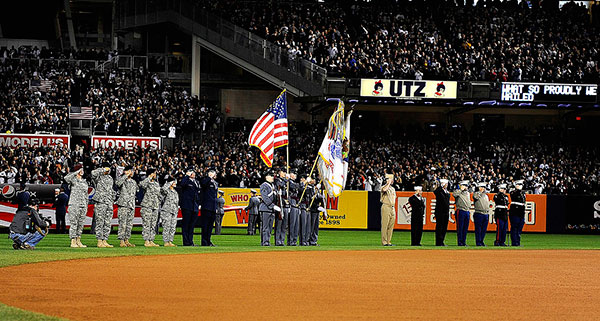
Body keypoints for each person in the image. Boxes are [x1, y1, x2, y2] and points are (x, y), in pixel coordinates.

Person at [64, 165, 89, 248]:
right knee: (74, 223)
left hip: (83, 204)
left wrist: (86, 204)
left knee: (80, 224)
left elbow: (86, 194)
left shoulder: (84, 181)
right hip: (74, 203)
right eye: (80, 169)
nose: (82, 171)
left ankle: (78, 240)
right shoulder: (73, 180)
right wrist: (75, 172)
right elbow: (66, 178)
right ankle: (73, 241)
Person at [91, 164, 115, 248]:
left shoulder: (110, 178)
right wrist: (102, 169)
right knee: (100, 222)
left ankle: (105, 240)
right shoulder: (98, 177)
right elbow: (93, 173)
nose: (108, 170)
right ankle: (99, 240)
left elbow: (111, 189)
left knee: (107, 222)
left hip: (109, 202)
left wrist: (113, 197)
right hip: (101, 202)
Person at [116, 165, 138, 247]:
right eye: (129, 170)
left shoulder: (133, 182)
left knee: (129, 224)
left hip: (131, 205)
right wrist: (125, 175)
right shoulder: (122, 180)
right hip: (123, 204)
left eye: (132, 171)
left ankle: (127, 240)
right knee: (122, 223)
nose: (131, 172)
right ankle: (121, 240)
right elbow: (118, 184)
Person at [178, 168, 200, 246]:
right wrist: (186, 175)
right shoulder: (186, 180)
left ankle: (190, 241)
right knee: (186, 224)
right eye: (192, 172)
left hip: (194, 206)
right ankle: (186, 242)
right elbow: (182, 184)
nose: (193, 174)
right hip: (187, 205)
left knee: (192, 225)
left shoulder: (196, 182)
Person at [140, 169, 161, 247]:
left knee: (153, 224)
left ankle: (151, 240)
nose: (155, 175)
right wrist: (149, 177)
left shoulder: (156, 184)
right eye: (154, 173)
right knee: (147, 224)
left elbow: (159, 194)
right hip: (147, 205)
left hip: (155, 206)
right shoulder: (146, 181)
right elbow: (142, 185)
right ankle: (146, 240)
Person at [199, 169, 219, 246]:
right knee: (205, 225)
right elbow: (203, 184)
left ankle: (208, 240)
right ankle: (204, 242)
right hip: (206, 206)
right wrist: (209, 177)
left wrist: (216, 207)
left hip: (213, 207)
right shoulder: (205, 181)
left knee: (210, 226)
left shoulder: (215, 183)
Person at [259, 170, 278, 246]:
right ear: (267, 177)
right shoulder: (264, 185)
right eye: (271, 176)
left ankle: (267, 241)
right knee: (265, 227)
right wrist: (272, 205)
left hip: (271, 209)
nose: (273, 177)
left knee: (270, 227)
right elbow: (265, 197)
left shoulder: (272, 185)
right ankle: (264, 242)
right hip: (265, 208)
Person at [160, 178, 179, 247]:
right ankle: (166, 242)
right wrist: (168, 183)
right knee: (166, 227)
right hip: (166, 211)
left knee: (172, 227)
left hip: (174, 211)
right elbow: (162, 190)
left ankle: (170, 241)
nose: (175, 183)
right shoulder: (167, 191)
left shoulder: (175, 192)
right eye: (173, 182)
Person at [453, 180, 471, 246]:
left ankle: (463, 241)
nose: (466, 187)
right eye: (464, 185)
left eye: (466, 185)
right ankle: (460, 242)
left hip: (467, 211)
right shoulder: (458, 192)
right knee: (460, 227)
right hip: (460, 210)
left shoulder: (468, 193)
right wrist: (460, 189)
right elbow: (454, 194)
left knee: (465, 228)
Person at [380, 173, 396, 246]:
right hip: (386, 206)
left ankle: (389, 241)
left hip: (392, 207)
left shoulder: (393, 189)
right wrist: (388, 183)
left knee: (391, 225)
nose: (392, 180)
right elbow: (384, 189)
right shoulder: (383, 187)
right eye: (390, 179)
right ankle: (384, 242)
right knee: (385, 225)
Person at [433, 179, 450, 246]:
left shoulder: (446, 192)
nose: (447, 185)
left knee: (444, 227)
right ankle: (438, 242)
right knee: (439, 227)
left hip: (446, 212)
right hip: (440, 212)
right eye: (445, 184)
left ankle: (442, 241)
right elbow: (435, 192)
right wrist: (440, 186)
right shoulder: (439, 191)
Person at [274, 168, 288, 246]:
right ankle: (277, 241)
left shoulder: (284, 181)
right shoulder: (277, 180)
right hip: (279, 203)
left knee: (284, 224)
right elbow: (280, 185)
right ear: (279, 172)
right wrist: (286, 180)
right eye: (283, 172)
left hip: (285, 204)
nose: (285, 173)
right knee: (279, 224)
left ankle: (282, 240)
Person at [509, 180, 527, 246]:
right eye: (519, 185)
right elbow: (514, 196)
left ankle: (517, 242)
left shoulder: (522, 193)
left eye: (521, 185)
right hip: (515, 212)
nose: (520, 186)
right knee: (514, 227)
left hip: (521, 212)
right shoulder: (513, 192)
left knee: (519, 228)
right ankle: (514, 242)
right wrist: (517, 189)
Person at [473, 182, 491, 246]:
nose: (483, 189)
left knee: (483, 229)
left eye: (484, 188)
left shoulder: (486, 195)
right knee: (478, 229)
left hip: (485, 214)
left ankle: (481, 241)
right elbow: (475, 197)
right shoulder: (476, 194)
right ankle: (478, 242)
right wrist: (480, 191)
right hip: (479, 213)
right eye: (482, 187)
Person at [309, 181, 326, 246]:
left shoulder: (318, 191)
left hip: (317, 211)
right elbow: (310, 200)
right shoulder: (311, 190)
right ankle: (309, 240)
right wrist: (317, 207)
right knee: (311, 227)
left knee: (316, 227)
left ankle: (314, 241)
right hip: (313, 210)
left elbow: (320, 199)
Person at [287, 170, 300, 246]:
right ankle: (291, 241)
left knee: (296, 225)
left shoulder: (294, 183)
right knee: (292, 224)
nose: (295, 176)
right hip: (291, 204)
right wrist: (302, 183)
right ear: (291, 175)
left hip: (296, 204)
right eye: (294, 174)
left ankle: (294, 240)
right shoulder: (289, 182)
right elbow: (293, 187)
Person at [298, 175, 311, 246]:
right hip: (302, 207)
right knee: (302, 225)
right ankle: (302, 241)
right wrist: (305, 182)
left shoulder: (308, 187)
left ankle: (306, 240)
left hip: (307, 207)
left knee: (307, 226)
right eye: (302, 179)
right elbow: (301, 191)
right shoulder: (300, 187)